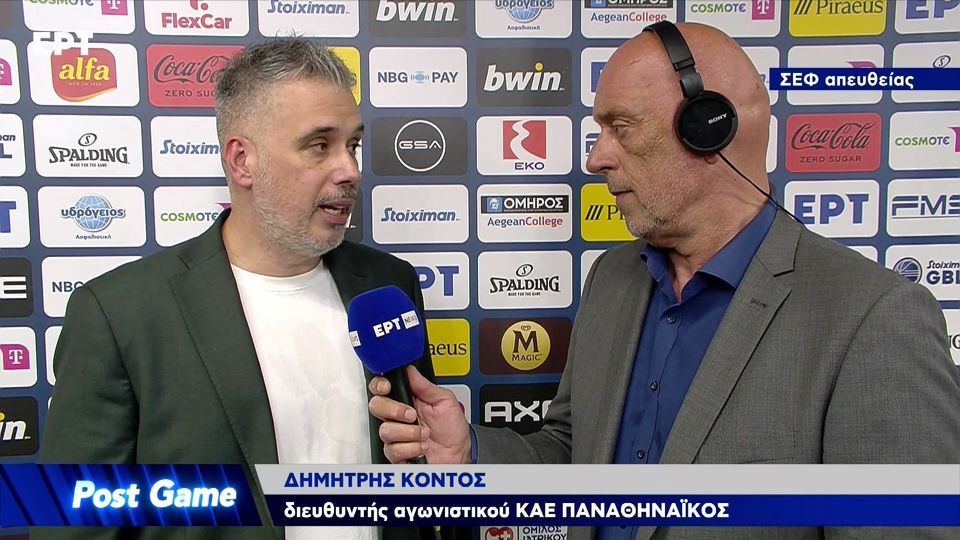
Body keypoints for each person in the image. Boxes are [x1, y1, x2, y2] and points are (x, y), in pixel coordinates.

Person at [367, 21, 960, 540]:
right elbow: (576, 454)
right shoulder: (613, 279)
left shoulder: (874, 317)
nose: (596, 158)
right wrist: (469, 453)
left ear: (708, 127)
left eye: (621, 127)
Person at [37, 37, 444, 540]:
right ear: (242, 161)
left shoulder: (388, 284)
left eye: (353, 145)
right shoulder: (120, 314)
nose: (350, 170)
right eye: (320, 145)